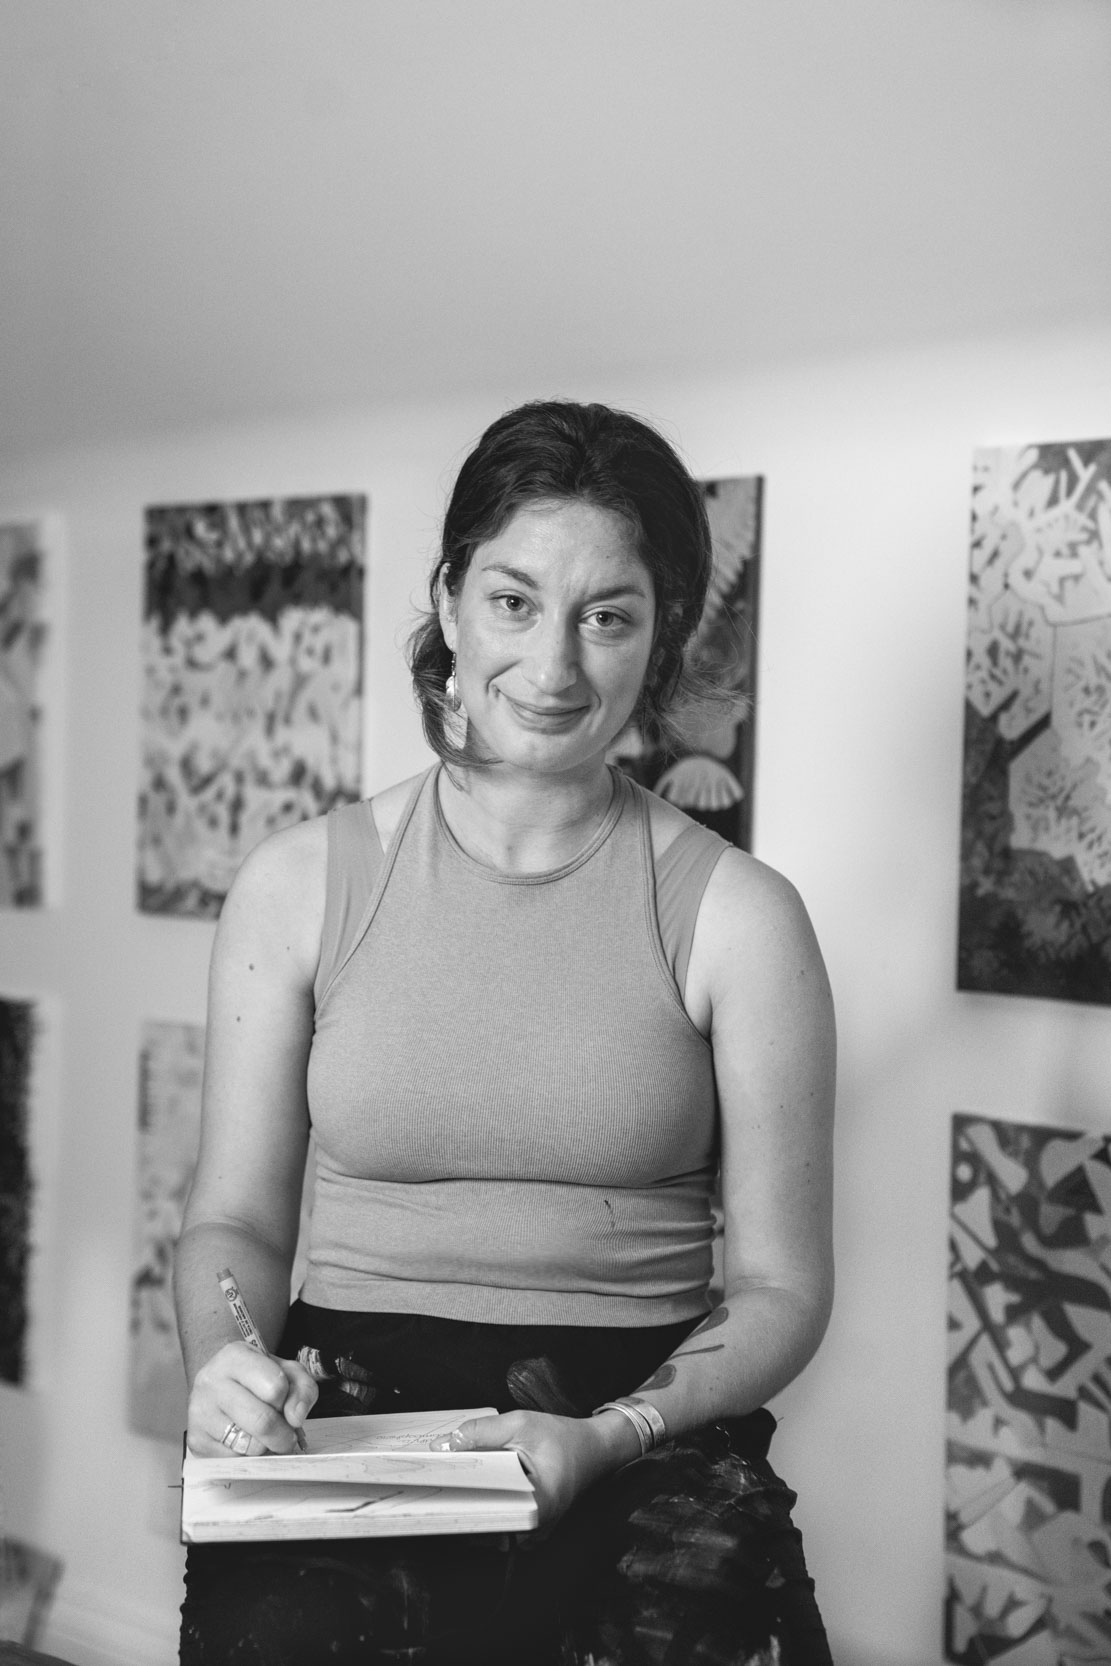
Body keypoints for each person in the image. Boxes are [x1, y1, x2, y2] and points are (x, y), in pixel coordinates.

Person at [174, 399, 837, 1665]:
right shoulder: (296, 883)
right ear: (451, 598)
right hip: (348, 1419)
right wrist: (226, 1362)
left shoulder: (742, 919)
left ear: (663, 634)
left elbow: (783, 1288)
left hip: (646, 1427)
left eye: (609, 615)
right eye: (515, 601)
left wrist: (615, 1434)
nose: (553, 667)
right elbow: (235, 1225)